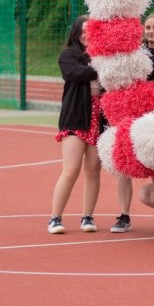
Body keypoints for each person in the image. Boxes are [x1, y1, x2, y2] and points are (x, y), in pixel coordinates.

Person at [113, 13, 154, 233]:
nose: (150, 31)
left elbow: (147, 69)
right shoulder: (137, 52)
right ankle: (123, 215)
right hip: (128, 112)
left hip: (149, 116)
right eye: (147, 27)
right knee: (123, 164)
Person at [48, 15, 104, 234]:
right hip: (75, 119)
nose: (87, 34)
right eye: (83, 30)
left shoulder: (102, 57)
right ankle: (55, 218)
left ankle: (87, 217)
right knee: (71, 170)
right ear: (76, 32)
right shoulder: (68, 55)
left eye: (92, 30)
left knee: (93, 170)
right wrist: (103, 68)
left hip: (98, 120)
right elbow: (75, 73)